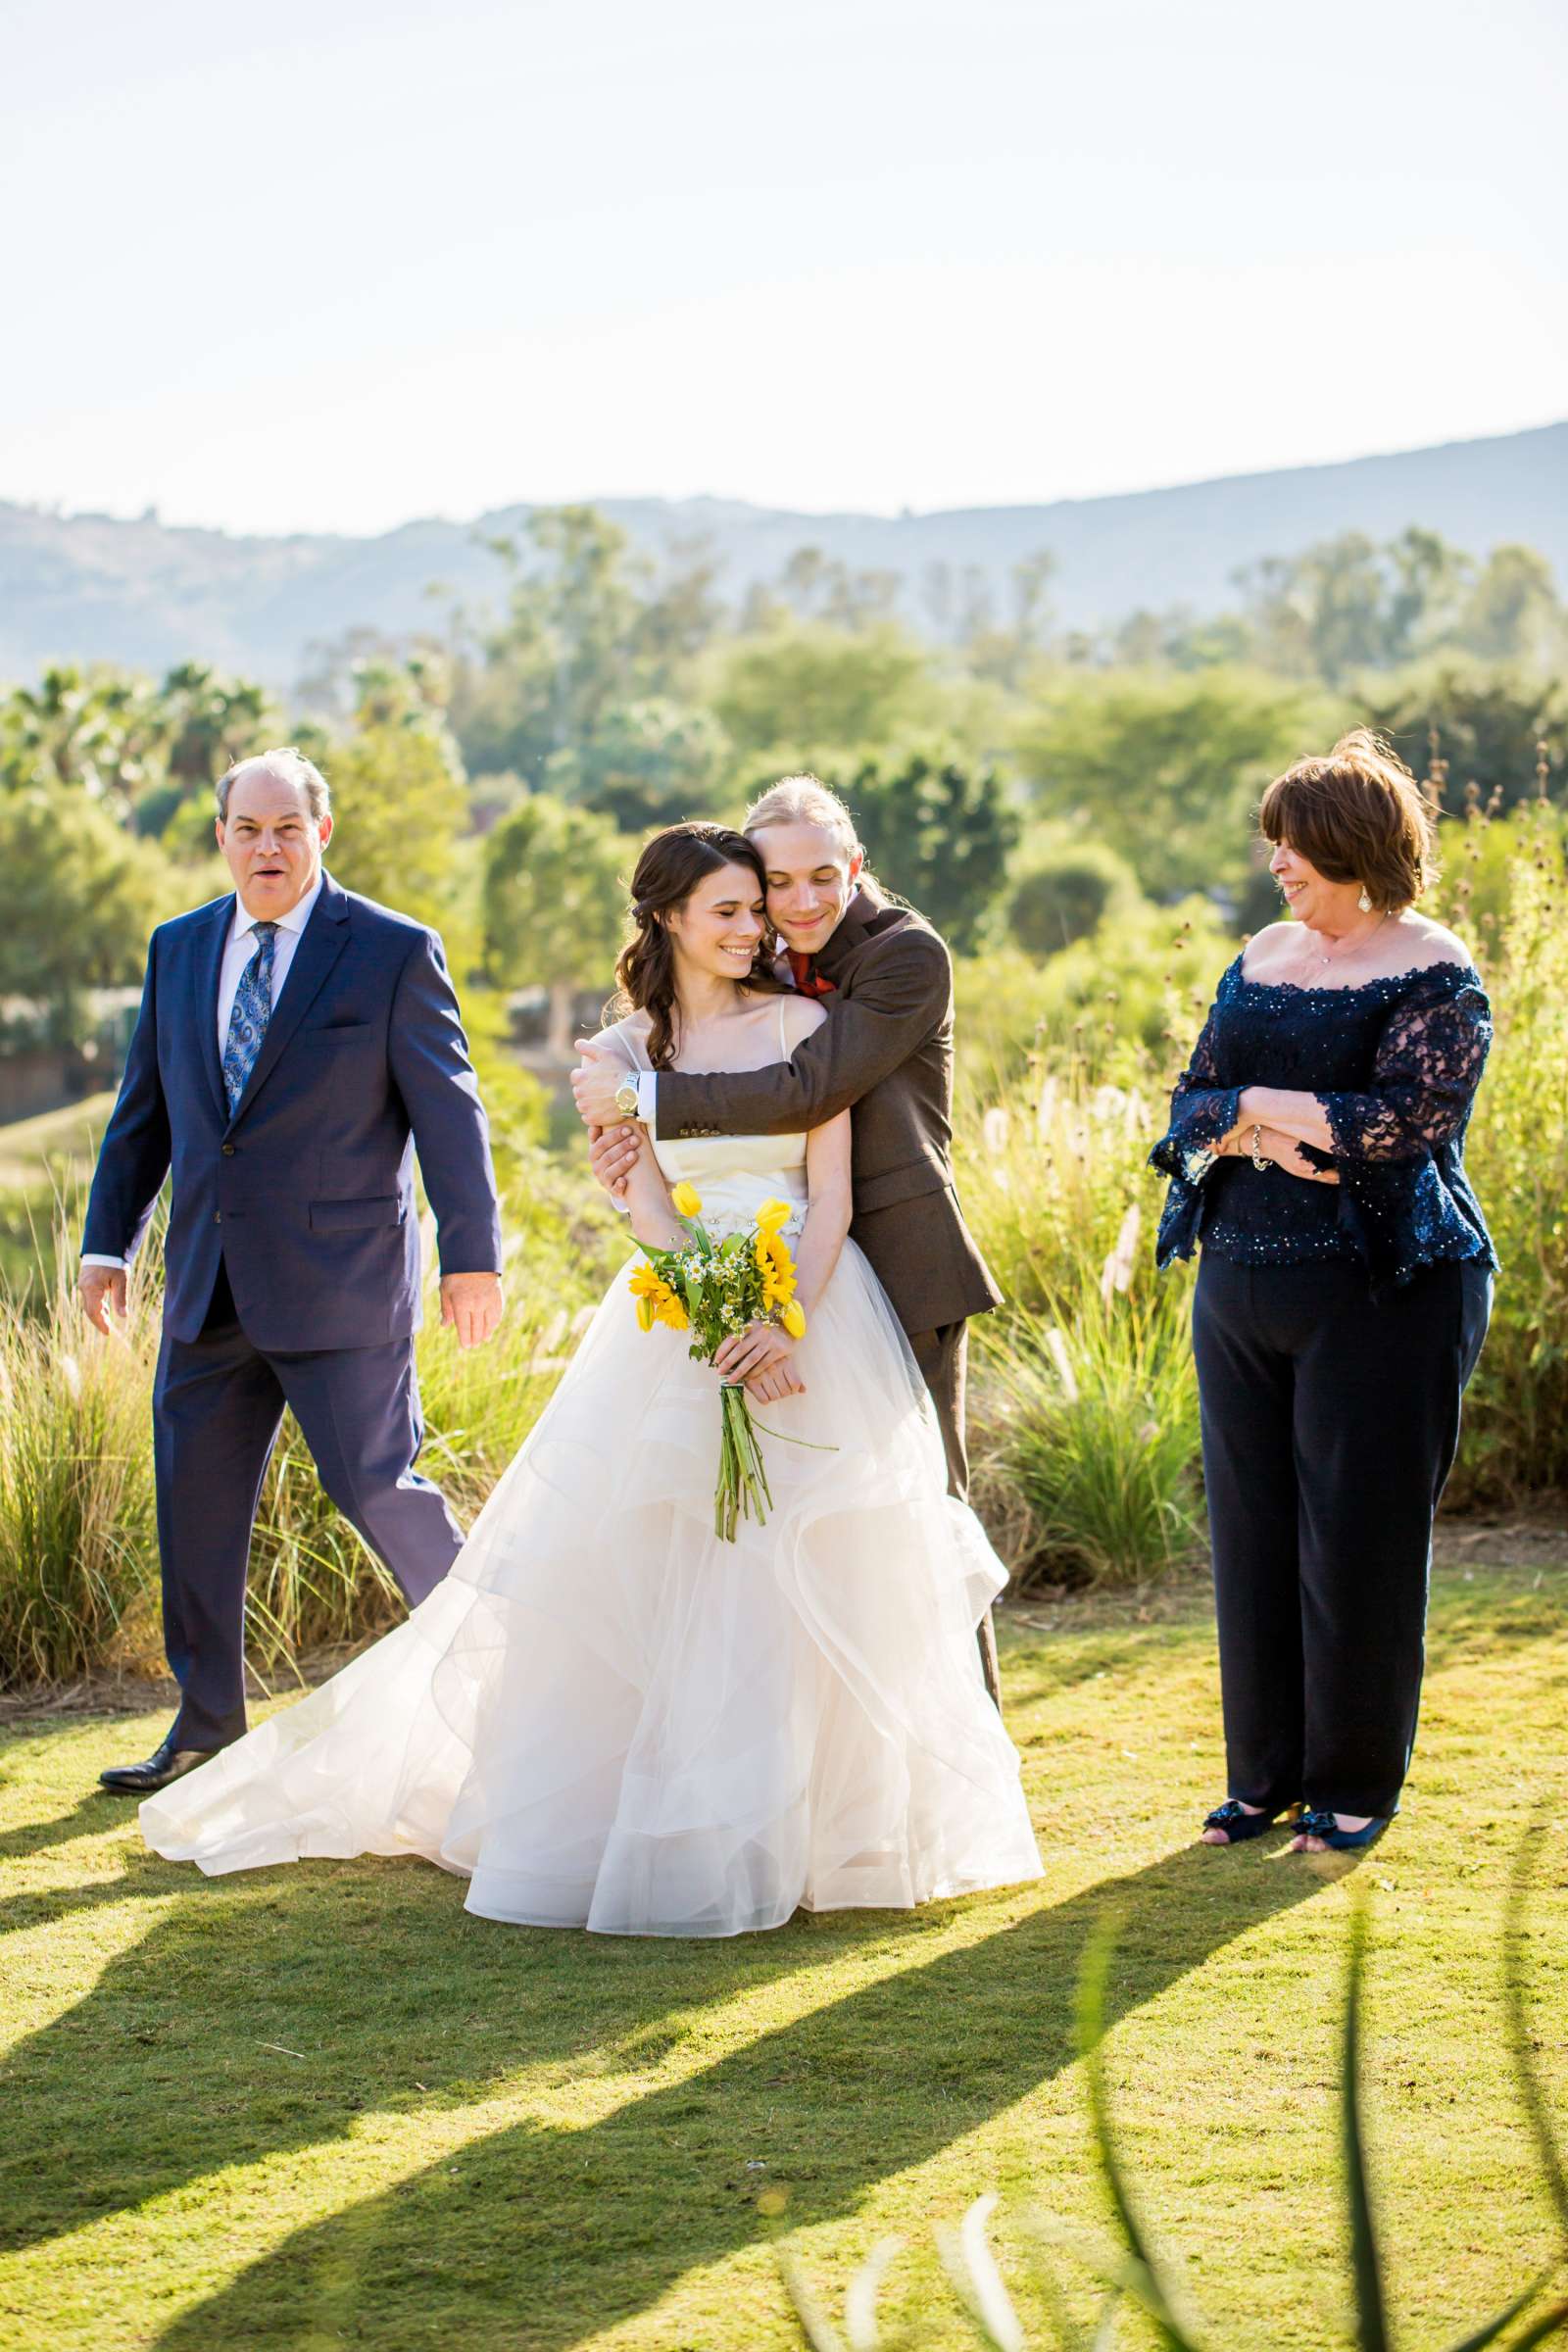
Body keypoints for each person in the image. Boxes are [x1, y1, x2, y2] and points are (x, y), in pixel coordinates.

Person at [140, 823, 1041, 1934]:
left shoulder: (809, 1022)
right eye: (731, 909)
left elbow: (835, 1198)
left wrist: (782, 1321)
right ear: (669, 920)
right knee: (675, 1566)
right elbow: (646, 1203)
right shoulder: (621, 1052)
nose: (755, 926)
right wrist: (714, 1310)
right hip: (679, 1317)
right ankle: (679, 1814)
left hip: (816, 1307)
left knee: (829, 1560)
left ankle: (831, 1829)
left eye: (758, 910)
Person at [81, 748, 505, 1797]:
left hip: (343, 1282)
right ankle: (205, 1730)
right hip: (207, 1283)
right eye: (246, 828)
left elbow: (450, 1114)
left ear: (323, 832)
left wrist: (472, 1256)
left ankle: (505, 1699)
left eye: (286, 827)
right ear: (221, 835)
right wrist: (106, 1242)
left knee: (377, 1489)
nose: (266, 846)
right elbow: (147, 1107)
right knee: (195, 1506)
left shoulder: (392, 951)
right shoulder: (178, 949)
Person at [573, 775, 1006, 1704]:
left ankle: (965, 1750)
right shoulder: (754, 971)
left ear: (856, 867)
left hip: (896, 1260)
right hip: (763, 1265)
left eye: (823, 878)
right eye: (779, 884)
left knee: (921, 1513)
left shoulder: (905, 956)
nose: (800, 903)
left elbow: (807, 1090)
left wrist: (639, 1105)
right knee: (755, 1527)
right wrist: (630, 1159)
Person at [1150, 730, 1495, 1855]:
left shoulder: (1436, 969)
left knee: (1358, 1542)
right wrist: (1258, 1105)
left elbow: (1402, 1127)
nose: (1276, 866)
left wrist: (1251, 1117)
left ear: (1351, 846)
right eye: (1272, 846)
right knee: (1249, 1535)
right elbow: (1188, 1106)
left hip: (1386, 1291)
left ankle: (1352, 1787)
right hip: (1241, 1282)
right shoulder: (1263, 950)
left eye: (1292, 845)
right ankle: (1263, 1782)